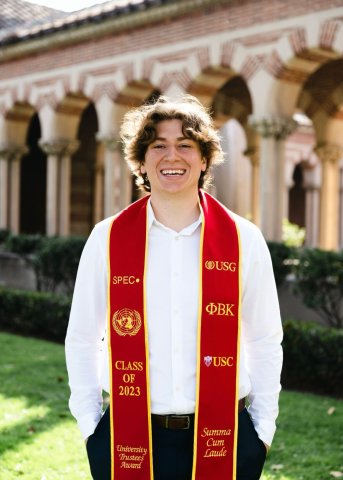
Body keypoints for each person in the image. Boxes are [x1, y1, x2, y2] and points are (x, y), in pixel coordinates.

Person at [65, 95, 283, 480]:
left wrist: (262, 431)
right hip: (128, 437)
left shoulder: (243, 239)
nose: (172, 156)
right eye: (158, 146)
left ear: (204, 159)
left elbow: (264, 338)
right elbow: (83, 336)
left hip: (226, 439)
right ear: (142, 161)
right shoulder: (107, 238)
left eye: (185, 145)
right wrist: (90, 427)